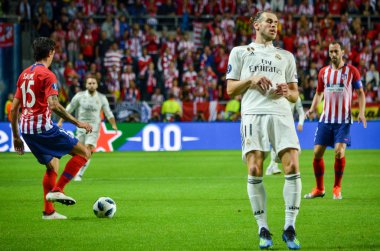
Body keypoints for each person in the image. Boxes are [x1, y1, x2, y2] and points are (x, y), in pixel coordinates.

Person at [226, 11, 302, 250]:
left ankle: (290, 228)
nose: (274, 25)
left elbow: (294, 94)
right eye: (269, 21)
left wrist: (285, 92)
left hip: (281, 114)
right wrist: (251, 80)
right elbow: (230, 90)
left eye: (277, 22)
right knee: (255, 168)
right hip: (253, 114)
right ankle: (263, 228)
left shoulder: (286, 56)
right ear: (256, 25)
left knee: (292, 165)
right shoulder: (239, 52)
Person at [10, 37, 92, 220]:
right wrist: (78, 123)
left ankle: (49, 212)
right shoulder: (48, 75)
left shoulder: (24, 74)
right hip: (43, 128)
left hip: (26, 130)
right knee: (84, 153)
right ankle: (58, 190)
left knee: (52, 165)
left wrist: (16, 136)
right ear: (50, 53)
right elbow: (54, 105)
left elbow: (15, 108)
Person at [304, 41, 367, 200]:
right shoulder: (323, 72)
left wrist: (361, 112)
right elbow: (318, 93)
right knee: (317, 153)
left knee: (339, 152)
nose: (333, 54)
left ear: (342, 52)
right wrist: (312, 109)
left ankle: (337, 187)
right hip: (325, 120)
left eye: (336, 51)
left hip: (343, 120)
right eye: (331, 51)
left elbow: (360, 93)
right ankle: (319, 189)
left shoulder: (352, 71)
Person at [58, 75, 117, 181]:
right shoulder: (79, 96)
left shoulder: (102, 98)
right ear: (86, 85)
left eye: (93, 83)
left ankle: (79, 174)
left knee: (88, 149)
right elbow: (69, 108)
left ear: (97, 85)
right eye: (89, 83)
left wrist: (113, 124)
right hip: (80, 126)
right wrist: (60, 121)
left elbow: (108, 112)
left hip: (94, 128)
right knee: (78, 152)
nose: (91, 85)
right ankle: (75, 171)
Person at [266, 97, 305, 175]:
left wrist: (300, 123)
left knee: (292, 146)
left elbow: (301, 113)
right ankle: (274, 167)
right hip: (276, 122)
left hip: (289, 123)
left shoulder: (296, 97)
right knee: (276, 143)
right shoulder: (278, 94)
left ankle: (271, 167)